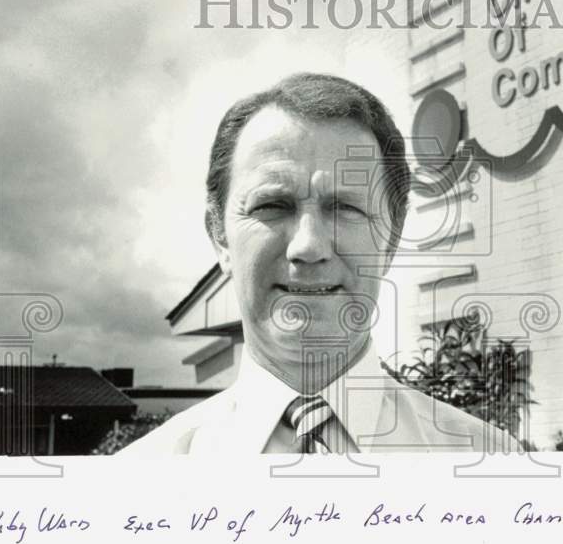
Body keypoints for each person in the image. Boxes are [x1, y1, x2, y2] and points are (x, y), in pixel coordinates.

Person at [123, 72, 520, 455]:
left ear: (392, 238)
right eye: (272, 205)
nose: (308, 246)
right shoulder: (137, 484)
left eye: (344, 207)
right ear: (219, 236)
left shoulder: (494, 468)